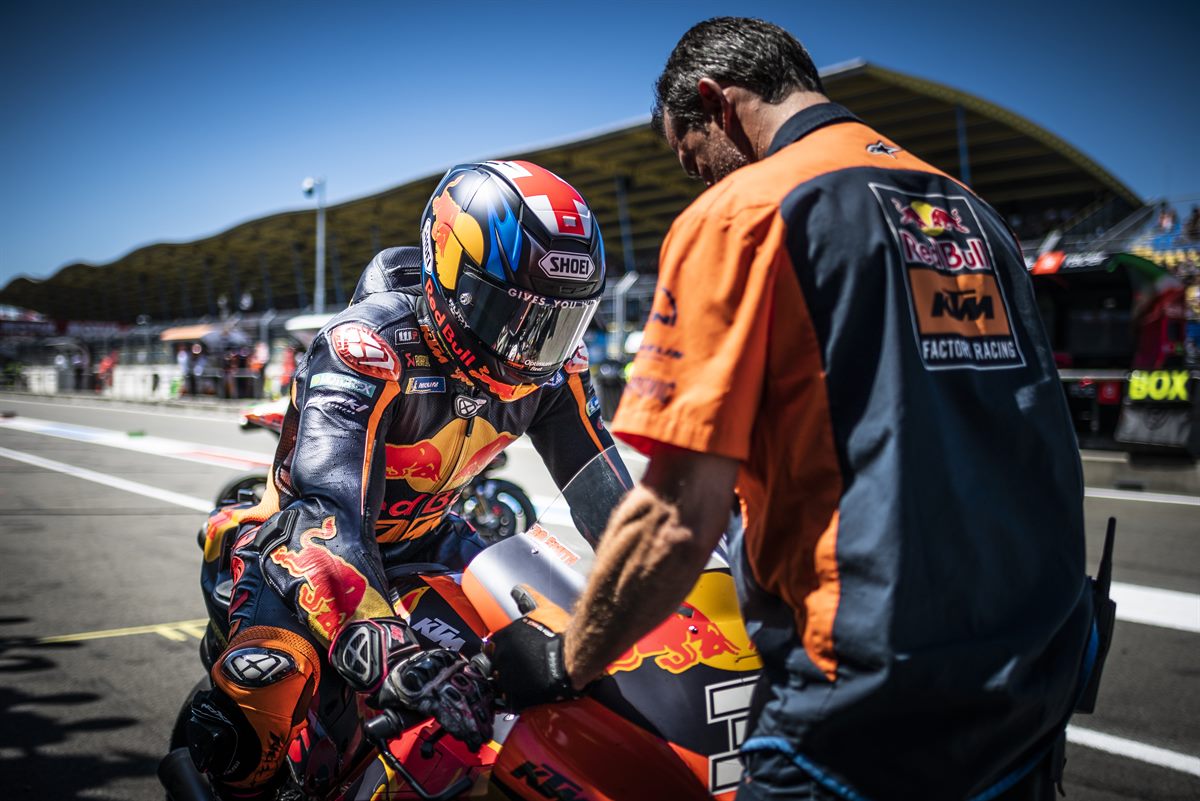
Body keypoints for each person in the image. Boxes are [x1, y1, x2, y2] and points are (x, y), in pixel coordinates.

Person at [487, 18, 1097, 801]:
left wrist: (566, 654)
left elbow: (676, 517)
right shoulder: (968, 208)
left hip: (867, 707)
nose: (699, 179)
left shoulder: (743, 213)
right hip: (1035, 684)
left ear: (717, 104)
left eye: (691, 156)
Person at [187, 160, 629, 800]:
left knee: (539, 678)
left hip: (432, 541)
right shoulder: (367, 345)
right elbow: (325, 514)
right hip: (299, 549)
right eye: (512, 313)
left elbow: (611, 500)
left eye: (559, 323)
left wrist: (698, 587)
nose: (533, 346)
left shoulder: (557, 371)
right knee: (261, 696)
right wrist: (390, 653)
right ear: (449, 277)